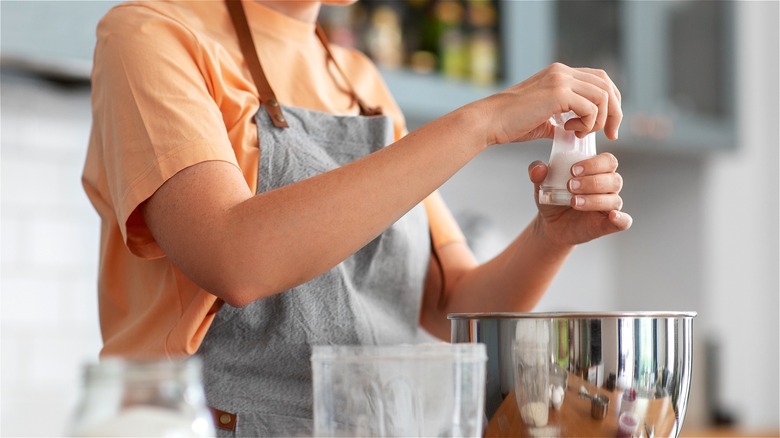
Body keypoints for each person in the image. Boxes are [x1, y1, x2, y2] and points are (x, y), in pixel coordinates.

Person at [82, 0, 631, 435]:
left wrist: (550, 236)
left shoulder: (359, 80)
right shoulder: (149, 33)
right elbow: (233, 258)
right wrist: (481, 121)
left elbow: (454, 303)